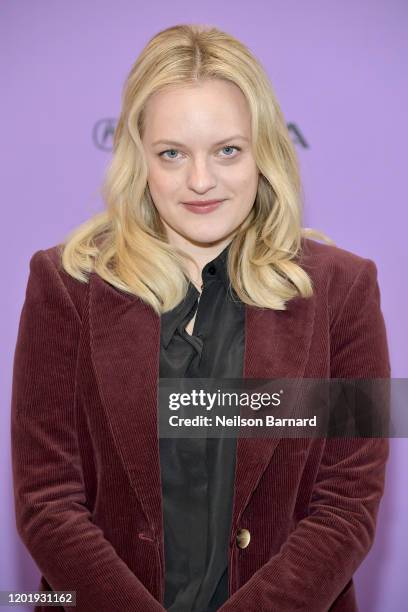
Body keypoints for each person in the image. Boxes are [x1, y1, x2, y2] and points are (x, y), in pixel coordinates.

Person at [11, 23, 390, 612]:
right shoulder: (64, 285)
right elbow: (47, 502)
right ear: (139, 156)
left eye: (227, 150)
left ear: (264, 147)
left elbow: (347, 505)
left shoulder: (342, 290)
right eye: (172, 153)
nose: (200, 181)